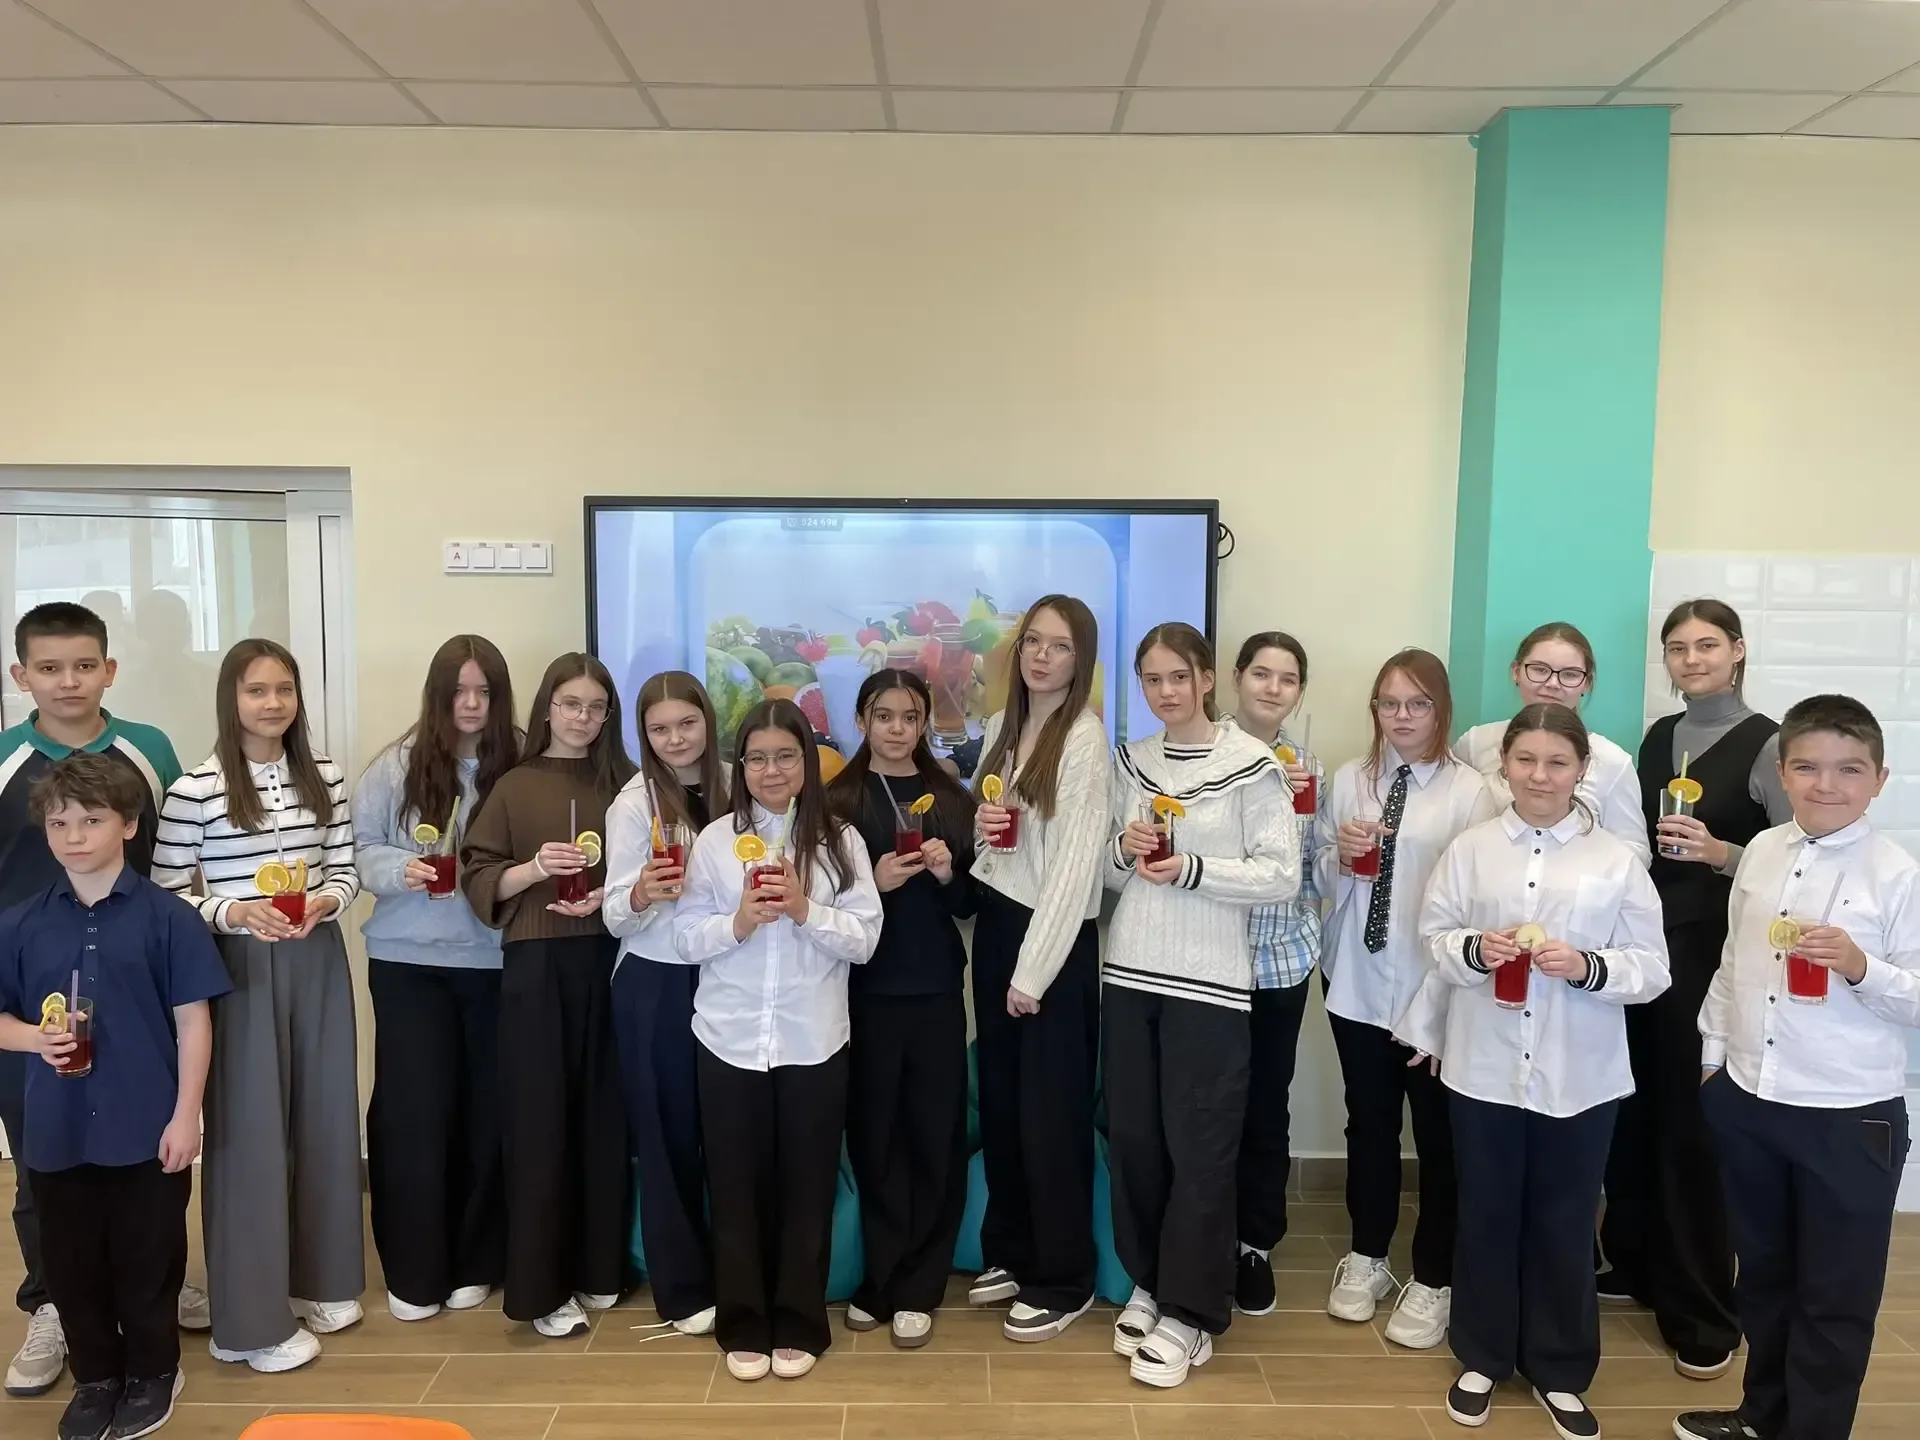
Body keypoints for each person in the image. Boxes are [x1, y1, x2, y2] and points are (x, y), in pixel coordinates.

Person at [1404, 705, 1669, 1440]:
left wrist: (1587, 966)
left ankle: (1560, 1368)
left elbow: (1653, 969)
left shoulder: (1615, 860)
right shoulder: (1471, 850)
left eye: (1557, 763)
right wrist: (1474, 949)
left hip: (1580, 1075)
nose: (1540, 776)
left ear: (1582, 770)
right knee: (1486, 1211)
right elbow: (1434, 936)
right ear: (1505, 765)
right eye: (1526, 760)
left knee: (1564, 1219)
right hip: (1483, 1066)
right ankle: (1482, 1356)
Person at [1676, 695, 1920, 1440]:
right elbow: (1733, 962)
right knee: (1765, 1276)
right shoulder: (1764, 851)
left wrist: (1860, 966)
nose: (1826, 785)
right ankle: (1761, 1416)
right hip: (1749, 1098)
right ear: (1782, 773)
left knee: (1834, 1296)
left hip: (1850, 1116)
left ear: (1878, 779)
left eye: (1849, 770)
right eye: (1808, 768)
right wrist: (1714, 1063)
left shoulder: (1898, 875)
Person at [0, 755, 229, 1440]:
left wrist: (187, 1116)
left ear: (128, 825)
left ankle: (155, 1370)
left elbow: (194, 1022)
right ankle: (96, 1375)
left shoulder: (170, 918)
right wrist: (34, 1039)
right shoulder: (19, 923)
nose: (74, 836)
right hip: (55, 1127)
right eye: (59, 823)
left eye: (92, 821)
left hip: (147, 1122)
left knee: (148, 1257)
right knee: (70, 1263)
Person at [152, 639, 364, 1373]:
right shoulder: (196, 787)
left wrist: (327, 901)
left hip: (318, 955)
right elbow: (165, 894)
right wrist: (233, 912)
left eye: (284, 689)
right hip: (237, 965)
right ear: (231, 699)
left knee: (326, 1119)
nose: (272, 703)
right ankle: (246, 1323)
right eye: (256, 690)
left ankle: (321, 1280)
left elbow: (345, 867)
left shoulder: (325, 774)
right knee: (248, 1134)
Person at [1600, 599, 1793, 1380]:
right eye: (1678, 648)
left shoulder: (1767, 743)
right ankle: (1636, 1265)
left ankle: (1706, 1312)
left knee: (1690, 1129)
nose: (1691, 660)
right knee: (1634, 1111)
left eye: (1707, 645)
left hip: (1710, 954)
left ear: (1737, 651)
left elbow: (1796, 861)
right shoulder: (1659, 737)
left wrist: (1720, 853)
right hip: (1646, 947)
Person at [1104, 624, 1297, 1388]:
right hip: (1130, 973)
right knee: (1137, 1142)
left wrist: (1190, 868)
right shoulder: (1132, 761)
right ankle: (1151, 1281)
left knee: (1202, 1150)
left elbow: (1280, 875)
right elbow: (1108, 875)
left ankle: (1192, 1313)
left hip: (1210, 983)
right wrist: (1123, 851)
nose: (1166, 692)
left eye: (1178, 677)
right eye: (1152, 680)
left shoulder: (1252, 765)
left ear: (1208, 679)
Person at [1, 603, 187, 1397]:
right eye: (49, 668)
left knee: (146, 1157)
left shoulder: (150, 751)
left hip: (136, 987)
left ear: (110, 669)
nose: (67, 682)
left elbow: (180, 856)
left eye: (84, 665)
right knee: (43, 1157)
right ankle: (52, 1302)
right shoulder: (6, 758)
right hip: (33, 995)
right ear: (22, 677)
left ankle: (152, 1296)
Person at [674, 699, 882, 1381]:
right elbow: (684, 939)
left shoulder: (840, 841)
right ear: (741, 766)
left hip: (812, 1040)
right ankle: (742, 1322)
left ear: (808, 763)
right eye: (757, 758)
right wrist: (737, 921)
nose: (771, 771)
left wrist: (804, 909)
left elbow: (865, 939)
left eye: (786, 756)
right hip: (728, 1038)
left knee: (806, 1188)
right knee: (735, 1188)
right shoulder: (714, 842)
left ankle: (799, 1321)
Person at [1321, 649, 1495, 1350]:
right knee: (1368, 1124)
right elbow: (1319, 880)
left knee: (1438, 1136)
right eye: (1389, 703)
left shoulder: (1471, 792)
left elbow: (1478, 901)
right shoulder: (1350, 779)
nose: (1401, 717)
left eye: (1417, 704)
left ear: (1440, 710)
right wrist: (1337, 857)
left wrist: (1444, 999)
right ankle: (1367, 1256)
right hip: (1356, 981)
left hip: (1433, 990)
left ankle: (1433, 1276)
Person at [460, 652, 633, 1341]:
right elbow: (479, 876)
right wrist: (533, 869)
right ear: (547, 708)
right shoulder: (514, 783)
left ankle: (599, 1263)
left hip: (612, 960)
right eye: (571, 704)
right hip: (536, 965)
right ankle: (542, 1288)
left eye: (596, 707)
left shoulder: (627, 784)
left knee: (603, 1118)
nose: (582, 718)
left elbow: (654, 870)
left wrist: (610, 892)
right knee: (540, 1123)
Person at [352, 636, 518, 1323]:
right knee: (413, 1116)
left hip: (496, 963)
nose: (471, 705)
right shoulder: (396, 765)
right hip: (408, 964)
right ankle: (414, 1269)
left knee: (487, 1113)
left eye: (484, 691)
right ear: (437, 695)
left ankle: (476, 1259)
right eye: (458, 691)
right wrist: (404, 870)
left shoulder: (519, 763)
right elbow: (360, 852)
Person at [966, 594, 1111, 1343]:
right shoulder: (1003, 726)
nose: (1041, 656)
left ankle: (1064, 1277)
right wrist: (982, 829)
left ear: (1080, 661)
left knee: (1051, 1116)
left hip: (1049, 946)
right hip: (997, 927)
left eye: (1059, 646)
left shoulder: (1083, 738)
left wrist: (1033, 973)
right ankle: (1013, 1250)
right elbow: (1001, 849)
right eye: (1032, 641)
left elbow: (1076, 869)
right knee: (1004, 1105)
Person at [827, 669, 976, 1350]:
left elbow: (973, 903)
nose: (896, 728)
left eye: (909, 717)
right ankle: (880, 1277)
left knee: (934, 1134)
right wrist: (874, 885)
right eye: (882, 715)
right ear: (862, 720)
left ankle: (921, 1283)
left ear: (923, 723)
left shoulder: (950, 796)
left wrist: (947, 875)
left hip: (936, 989)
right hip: (862, 992)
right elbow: (819, 906)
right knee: (875, 1134)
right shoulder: (837, 799)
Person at [602, 671, 730, 1340]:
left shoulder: (740, 784)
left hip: (731, 976)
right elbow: (612, 915)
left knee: (729, 1135)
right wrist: (642, 893)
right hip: (657, 981)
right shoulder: (633, 804)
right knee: (667, 1135)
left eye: (686, 723)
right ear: (643, 735)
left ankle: (738, 1273)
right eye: (659, 729)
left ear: (707, 720)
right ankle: (682, 1289)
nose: (675, 739)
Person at [1223, 631, 1325, 1318]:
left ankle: (1254, 1243)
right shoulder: (1207, 752)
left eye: (1287, 679)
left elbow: (1312, 870)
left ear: (1299, 692)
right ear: (1236, 677)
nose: (1273, 688)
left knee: (1265, 1108)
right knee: (1206, 1107)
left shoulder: (1306, 767)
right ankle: (1203, 1233)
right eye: (1261, 673)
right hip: (1210, 963)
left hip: (1281, 963)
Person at [1453, 622, 1650, 866]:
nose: (1553, 683)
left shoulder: (1613, 761)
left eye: (1570, 674)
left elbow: (1636, 851)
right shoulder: (1475, 744)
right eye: (1539, 669)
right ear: (1516, 672)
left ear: (1586, 683)